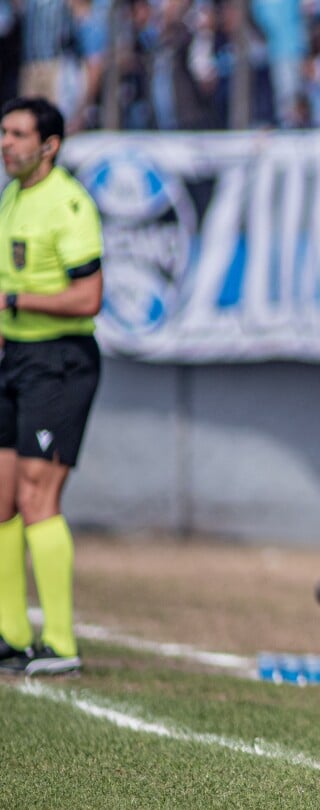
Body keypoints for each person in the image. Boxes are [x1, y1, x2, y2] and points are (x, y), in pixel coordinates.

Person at [0, 97, 105, 676]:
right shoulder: (11, 198)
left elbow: (89, 298)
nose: (5, 143)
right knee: (3, 499)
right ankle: (11, 634)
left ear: (50, 145)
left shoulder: (68, 204)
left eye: (17, 134)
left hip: (59, 362)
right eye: (3, 132)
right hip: (14, 357)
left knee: (39, 497)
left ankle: (60, 644)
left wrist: (14, 301)